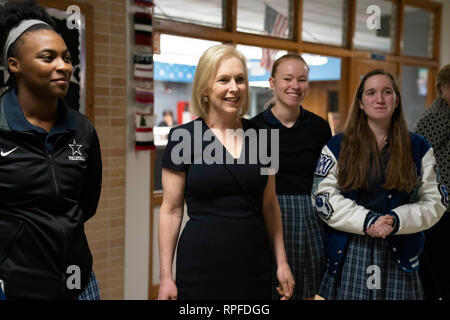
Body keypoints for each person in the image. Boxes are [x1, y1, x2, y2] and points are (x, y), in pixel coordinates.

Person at [157, 44, 294, 300]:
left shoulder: (263, 138)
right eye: (224, 80)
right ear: (206, 88)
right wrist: (165, 277)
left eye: (240, 79)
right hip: (201, 266)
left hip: (253, 263)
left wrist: (282, 262)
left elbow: (270, 204)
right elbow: (171, 210)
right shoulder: (183, 138)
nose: (234, 88)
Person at [311, 69, 448, 300]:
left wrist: (397, 220)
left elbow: (435, 201)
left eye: (387, 92)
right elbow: (323, 197)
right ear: (361, 103)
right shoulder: (337, 146)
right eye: (371, 93)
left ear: (396, 100)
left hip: (402, 250)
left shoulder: (419, 147)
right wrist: (367, 220)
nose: (380, 99)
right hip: (352, 249)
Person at [0, 0, 102, 299]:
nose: (63, 66)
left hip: (77, 282)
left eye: (67, 58)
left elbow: (86, 204)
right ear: (14, 64)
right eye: (48, 57)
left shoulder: (82, 129)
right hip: (14, 287)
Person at [251, 54, 331, 300]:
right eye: (287, 79)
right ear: (272, 82)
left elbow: (326, 180)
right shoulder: (253, 128)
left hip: (310, 218)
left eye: (302, 79)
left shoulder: (319, 127)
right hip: (266, 215)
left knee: (306, 290)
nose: (295, 86)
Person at [414, 64, 450, 300]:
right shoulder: (436, 116)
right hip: (438, 207)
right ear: (444, 88)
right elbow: (416, 156)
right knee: (438, 272)